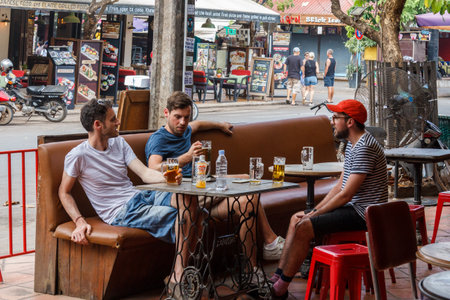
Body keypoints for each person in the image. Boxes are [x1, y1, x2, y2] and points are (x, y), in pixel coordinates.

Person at [58, 99, 200, 294]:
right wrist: (79, 221)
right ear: (98, 125)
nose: (118, 122)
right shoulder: (78, 155)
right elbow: (63, 192)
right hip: (120, 211)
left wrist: (171, 179)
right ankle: (178, 274)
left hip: (141, 195)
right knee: (188, 218)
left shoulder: (119, 142)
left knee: (188, 199)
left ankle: (178, 274)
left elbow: (144, 173)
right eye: (113, 119)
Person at [145, 91, 285, 268]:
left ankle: (252, 267)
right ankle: (271, 241)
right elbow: (153, 167)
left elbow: (199, 125)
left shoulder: (186, 129)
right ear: (166, 113)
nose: (182, 122)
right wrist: (186, 158)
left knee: (249, 198)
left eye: (186, 117)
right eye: (177, 117)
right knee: (244, 182)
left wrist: (220, 125)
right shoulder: (158, 139)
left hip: (200, 185)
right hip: (180, 191)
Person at [270, 99, 388, 298]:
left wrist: (314, 215)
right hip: (353, 208)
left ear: (350, 122)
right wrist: (314, 211)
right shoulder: (352, 144)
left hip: (365, 214)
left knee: (304, 226)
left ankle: (280, 288)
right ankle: (276, 277)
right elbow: (339, 186)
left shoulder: (364, 147)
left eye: (336, 117)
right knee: (296, 219)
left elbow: (346, 195)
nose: (332, 122)